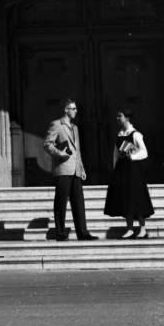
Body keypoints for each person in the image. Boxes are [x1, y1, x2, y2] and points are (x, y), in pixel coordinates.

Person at [43, 98, 98, 241]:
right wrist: (59, 153)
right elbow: (47, 144)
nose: (76, 111)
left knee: (79, 203)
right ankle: (60, 233)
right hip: (62, 168)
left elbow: (77, 150)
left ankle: (83, 233)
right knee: (61, 202)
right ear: (66, 110)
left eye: (76, 108)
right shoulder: (56, 124)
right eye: (73, 108)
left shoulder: (75, 128)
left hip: (75, 169)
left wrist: (82, 168)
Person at [104, 107, 155, 238]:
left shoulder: (135, 134)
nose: (117, 118)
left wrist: (132, 156)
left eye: (119, 116)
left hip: (134, 171)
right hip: (122, 171)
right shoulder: (119, 134)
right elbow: (115, 154)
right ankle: (130, 228)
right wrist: (115, 168)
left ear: (127, 118)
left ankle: (142, 229)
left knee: (137, 197)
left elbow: (144, 152)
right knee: (126, 198)